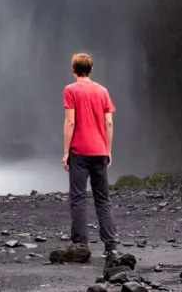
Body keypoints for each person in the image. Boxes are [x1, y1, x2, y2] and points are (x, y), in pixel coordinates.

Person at [62, 52, 119, 257]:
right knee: (103, 199)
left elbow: (70, 122)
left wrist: (66, 151)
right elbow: (109, 122)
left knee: (78, 197)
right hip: (99, 151)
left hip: (79, 151)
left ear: (73, 69)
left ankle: (80, 245)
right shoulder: (103, 91)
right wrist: (107, 149)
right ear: (91, 69)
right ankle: (111, 246)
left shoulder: (70, 90)